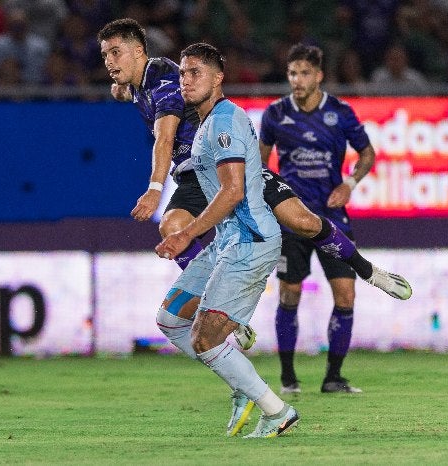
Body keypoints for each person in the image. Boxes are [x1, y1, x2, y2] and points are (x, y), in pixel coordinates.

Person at [96, 19, 411, 319]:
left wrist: (154, 189)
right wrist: (124, 91)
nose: (108, 61)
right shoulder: (138, 85)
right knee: (172, 226)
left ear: (139, 50)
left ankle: (370, 271)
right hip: (194, 177)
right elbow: (133, 93)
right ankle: (218, 308)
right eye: (105, 55)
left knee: (305, 223)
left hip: (227, 165)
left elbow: (164, 140)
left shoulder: (165, 80)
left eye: (115, 52)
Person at [153, 42, 299, 438]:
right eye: (183, 73)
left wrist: (186, 232)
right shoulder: (206, 123)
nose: (186, 80)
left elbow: (233, 191)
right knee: (170, 318)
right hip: (225, 243)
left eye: (196, 71)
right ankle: (241, 384)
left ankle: (276, 410)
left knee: (204, 337)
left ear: (218, 78)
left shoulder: (224, 121)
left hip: (250, 242)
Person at [259, 43, 411, 395]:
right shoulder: (275, 114)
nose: (297, 80)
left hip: (331, 217)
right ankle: (288, 378)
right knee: (289, 294)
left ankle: (333, 378)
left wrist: (350, 182)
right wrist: (273, 199)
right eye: (293, 73)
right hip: (292, 220)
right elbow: (260, 163)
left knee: (345, 294)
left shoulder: (340, 113)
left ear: (319, 75)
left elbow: (368, 153)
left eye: (304, 73)